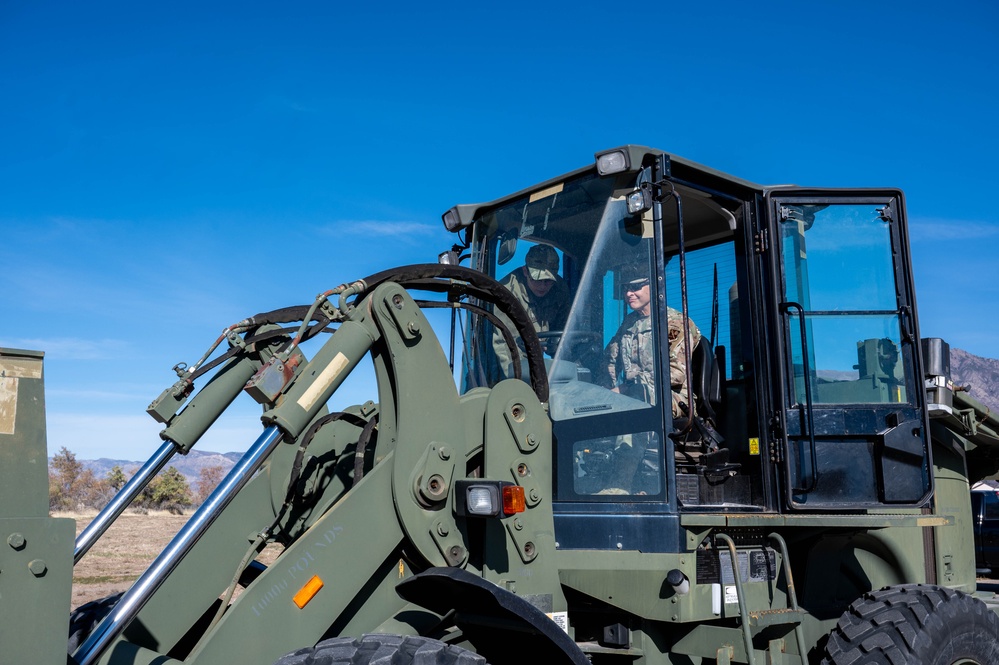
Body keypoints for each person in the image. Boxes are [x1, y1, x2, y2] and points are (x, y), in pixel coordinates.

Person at [604, 271, 701, 418]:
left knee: (636, 397)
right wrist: (602, 391)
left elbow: (675, 374)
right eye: (625, 289)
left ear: (653, 286)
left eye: (635, 287)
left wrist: (627, 388)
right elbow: (609, 362)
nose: (629, 293)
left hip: (673, 398)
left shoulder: (675, 322)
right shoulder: (628, 324)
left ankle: (625, 442)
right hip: (634, 395)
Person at [492, 244, 570, 378]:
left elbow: (564, 331)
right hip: (508, 363)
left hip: (541, 359)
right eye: (537, 279)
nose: (543, 286)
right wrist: (519, 383)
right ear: (525, 271)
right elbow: (505, 345)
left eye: (548, 281)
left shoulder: (560, 290)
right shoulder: (506, 294)